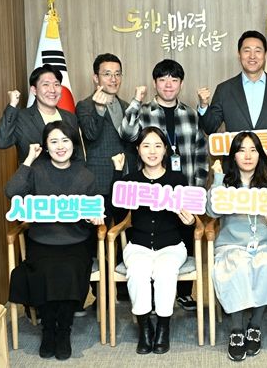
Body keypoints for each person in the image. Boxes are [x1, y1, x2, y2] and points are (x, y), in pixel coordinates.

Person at [5, 121, 101, 360]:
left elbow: (94, 212)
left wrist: (94, 218)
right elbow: (12, 192)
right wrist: (29, 159)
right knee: (44, 271)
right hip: (42, 241)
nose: (60, 146)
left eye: (65, 140)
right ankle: (48, 330)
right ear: (45, 146)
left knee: (68, 270)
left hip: (76, 242)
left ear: (73, 144)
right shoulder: (36, 170)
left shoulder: (85, 175)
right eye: (54, 141)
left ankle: (64, 331)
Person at [120, 58, 208, 311]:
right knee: (154, 234)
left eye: (174, 80)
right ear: (155, 83)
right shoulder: (144, 111)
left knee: (183, 237)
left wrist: (196, 190)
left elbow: (201, 152)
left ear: (181, 84)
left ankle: (183, 293)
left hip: (183, 186)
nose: (168, 85)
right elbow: (127, 134)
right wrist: (136, 101)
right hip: (152, 188)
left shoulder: (190, 114)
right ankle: (149, 297)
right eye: (163, 80)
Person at [207, 131, 267, 362]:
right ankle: (236, 329)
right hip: (232, 245)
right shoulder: (225, 182)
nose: (247, 156)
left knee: (266, 265)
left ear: (260, 155)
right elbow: (212, 211)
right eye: (241, 150)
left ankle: (255, 325)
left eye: (253, 150)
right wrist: (217, 178)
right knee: (237, 267)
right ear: (234, 156)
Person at [111, 127, 196, 354]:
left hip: (172, 246)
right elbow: (117, 214)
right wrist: (117, 173)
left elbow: (189, 219)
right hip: (138, 245)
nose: (152, 151)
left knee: (165, 271)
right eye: (146, 146)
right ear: (138, 150)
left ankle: (163, 328)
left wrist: (190, 221)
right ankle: (145, 328)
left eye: (158, 146)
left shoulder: (177, 179)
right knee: (138, 271)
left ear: (165, 150)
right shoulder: (131, 180)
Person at [197, 30, 267, 176]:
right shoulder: (224, 89)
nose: (252, 56)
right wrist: (204, 106)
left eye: (258, 51)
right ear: (239, 54)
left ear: (265, 55)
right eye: (247, 50)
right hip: (234, 171)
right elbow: (210, 128)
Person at [76, 53, 137, 225]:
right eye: (107, 74)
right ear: (96, 78)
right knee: (100, 234)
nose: (113, 79)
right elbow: (91, 134)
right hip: (100, 181)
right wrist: (99, 109)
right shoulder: (85, 106)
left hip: (126, 180)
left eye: (117, 74)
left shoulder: (127, 106)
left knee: (125, 231)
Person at [0, 64, 84, 163]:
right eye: (46, 84)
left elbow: (78, 155)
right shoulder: (21, 118)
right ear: (34, 90)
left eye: (56, 84)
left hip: (68, 173)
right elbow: (2, 142)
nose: (52, 90)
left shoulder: (70, 117)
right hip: (33, 173)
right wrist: (12, 105)